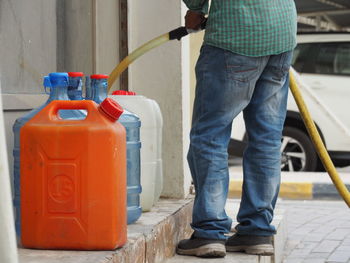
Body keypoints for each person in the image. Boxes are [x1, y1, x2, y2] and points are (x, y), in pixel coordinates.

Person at [177, 0, 297, 258]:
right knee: (266, 139)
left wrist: (198, 9)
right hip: (281, 31)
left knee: (210, 137)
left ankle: (210, 231)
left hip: (236, 33)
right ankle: (257, 230)